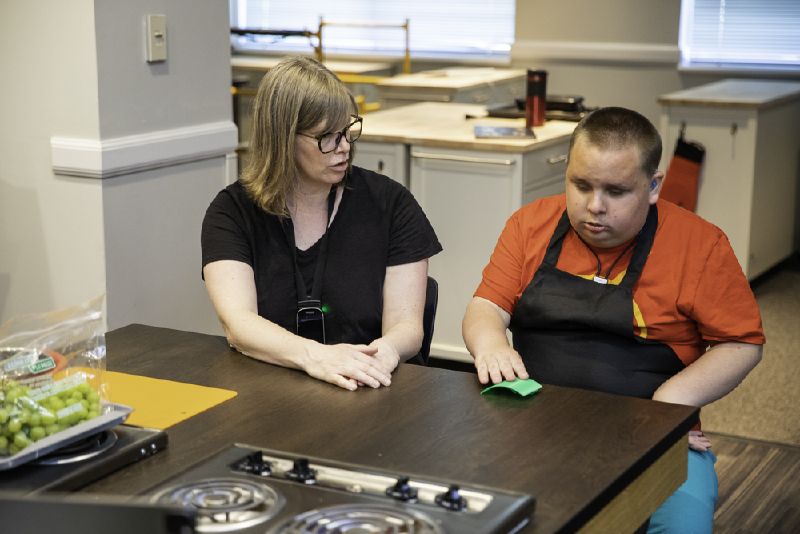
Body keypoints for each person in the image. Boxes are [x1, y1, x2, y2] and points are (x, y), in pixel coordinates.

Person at [462, 107, 763, 533]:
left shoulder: (700, 245)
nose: (594, 206)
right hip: (533, 422)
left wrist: (666, 412)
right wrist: (491, 343)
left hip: (651, 431)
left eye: (617, 191)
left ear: (654, 185)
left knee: (682, 526)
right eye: (580, 185)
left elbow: (742, 343)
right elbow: (486, 306)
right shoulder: (529, 225)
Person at [202, 57, 441, 392]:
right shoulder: (232, 211)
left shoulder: (391, 204)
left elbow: (406, 327)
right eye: (327, 137)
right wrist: (317, 357)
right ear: (283, 138)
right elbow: (239, 325)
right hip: (270, 391)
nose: (344, 147)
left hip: (368, 384)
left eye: (347, 131)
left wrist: (382, 354)